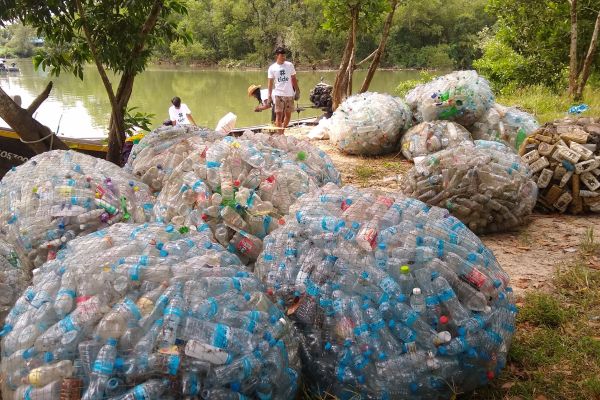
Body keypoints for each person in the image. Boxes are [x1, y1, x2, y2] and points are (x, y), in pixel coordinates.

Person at [267, 47, 299, 133]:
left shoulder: (289, 65)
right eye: (282, 56)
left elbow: (293, 78)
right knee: (278, 115)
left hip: (289, 94)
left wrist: (297, 91)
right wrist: (269, 96)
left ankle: (282, 130)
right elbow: (270, 83)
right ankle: (280, 134)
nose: (284, 58)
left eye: (284, 56)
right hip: (278, 94)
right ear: (277, 56)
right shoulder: (272, 68)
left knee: (288, 115)